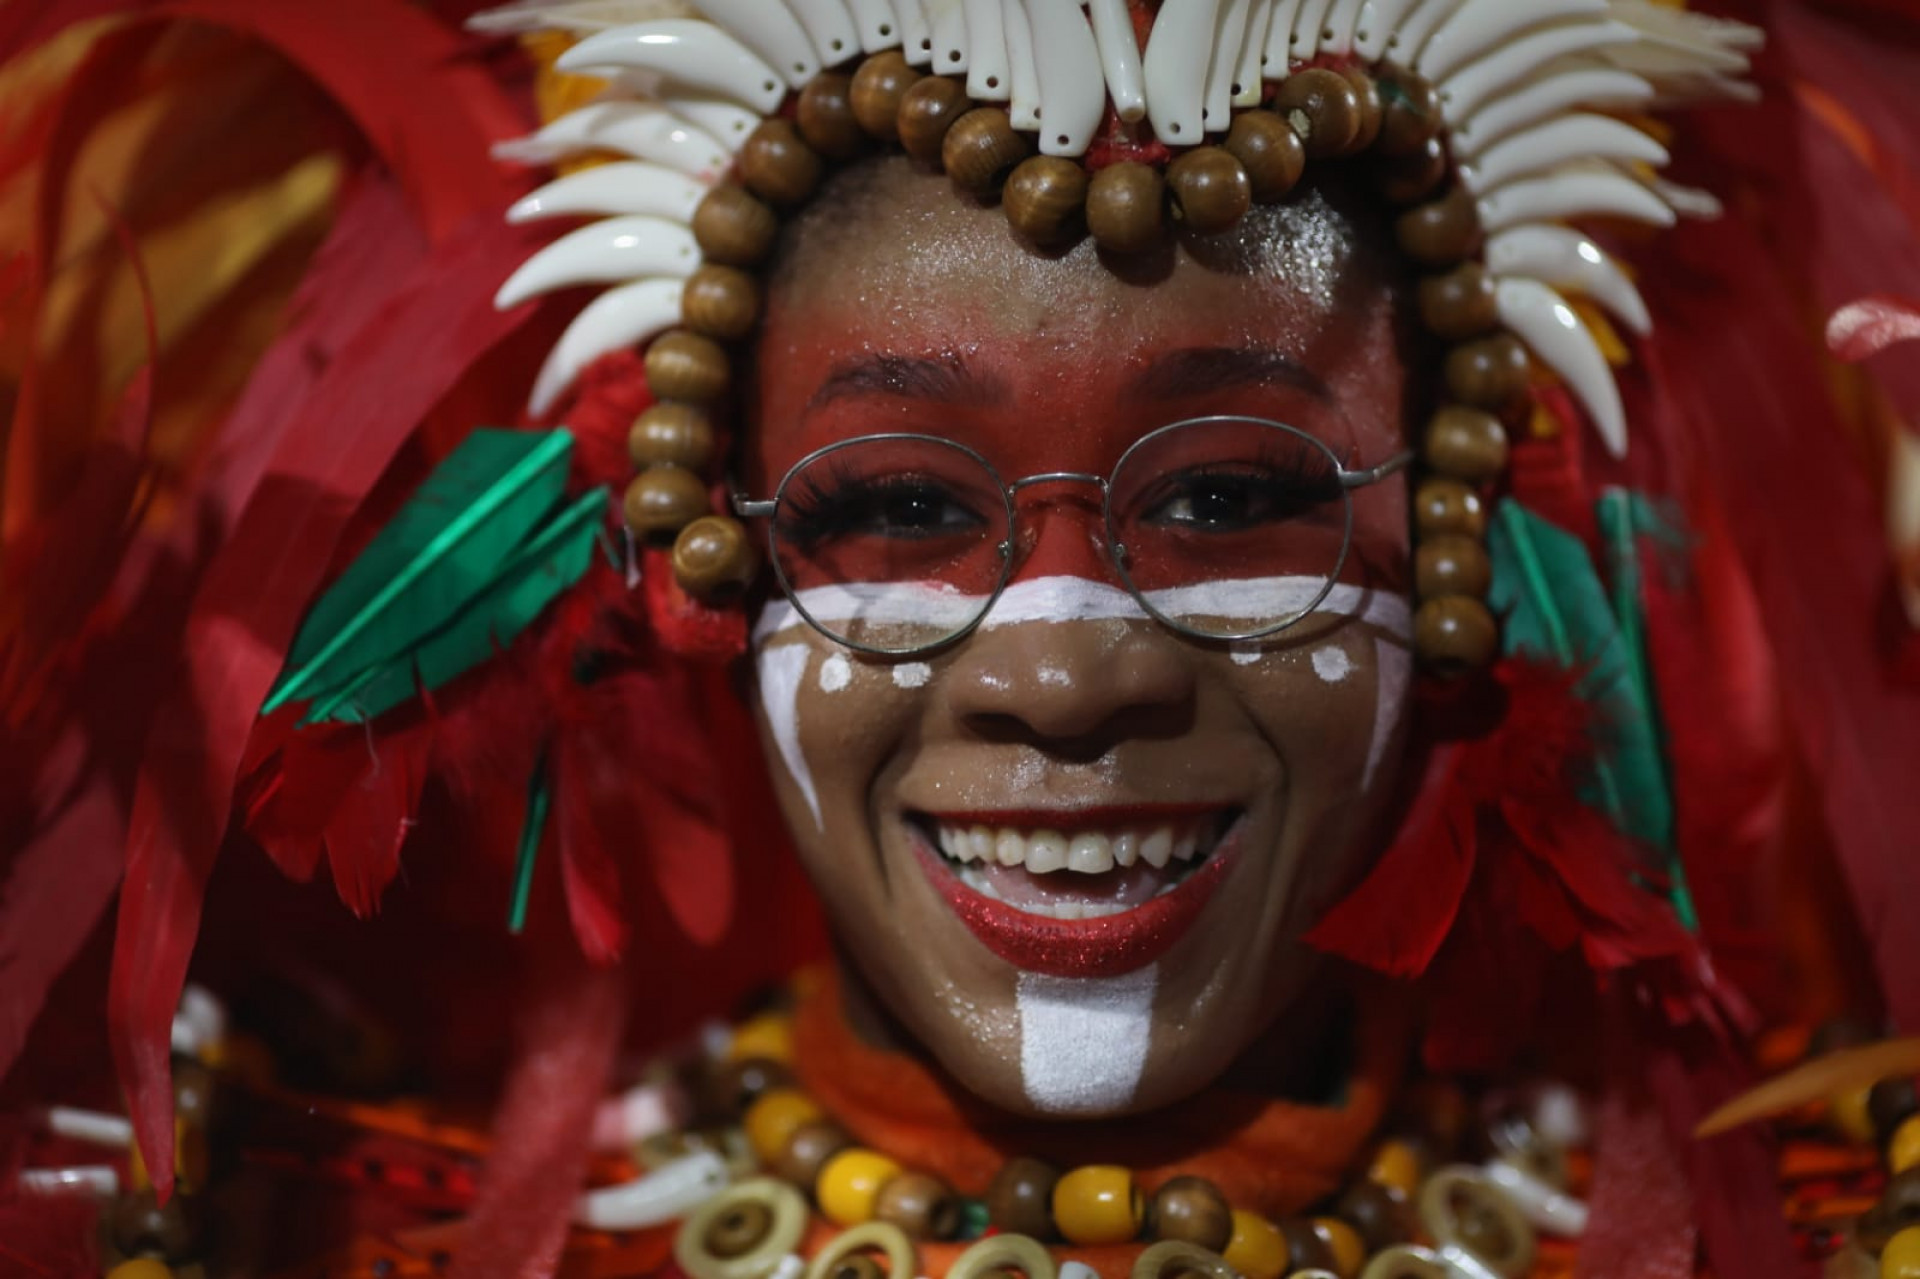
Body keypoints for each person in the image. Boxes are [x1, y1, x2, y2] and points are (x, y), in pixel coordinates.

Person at [1, 2, 1918, 1278]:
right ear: (690, 572)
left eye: (1235, 497)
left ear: (1456, 550)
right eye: (900, 510)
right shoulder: (275, 1231)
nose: (1070, 670)